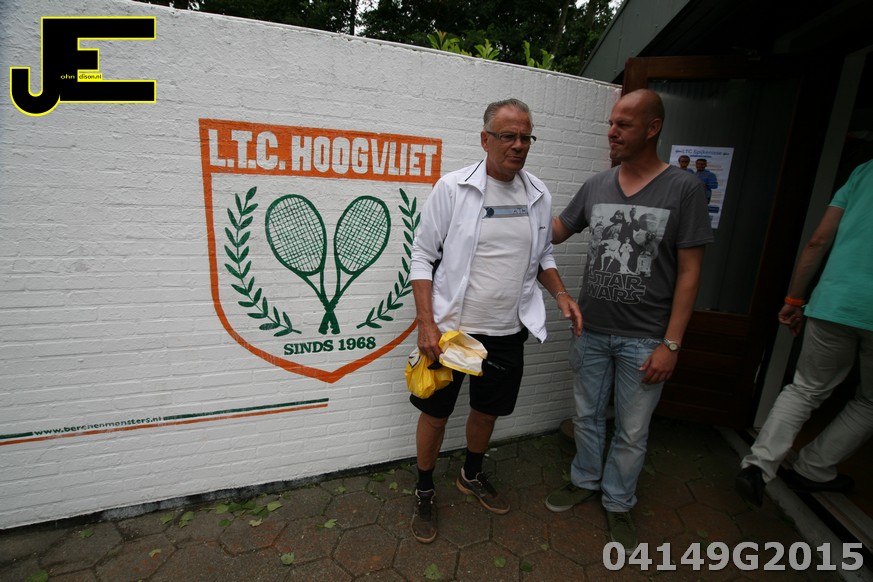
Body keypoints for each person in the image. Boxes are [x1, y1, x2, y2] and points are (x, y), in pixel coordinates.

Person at [545, 89, 713, 552]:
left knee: (633, 430)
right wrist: (512, 202)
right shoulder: (597, 185)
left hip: (645, 338)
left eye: (623, 124)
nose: (612, 132)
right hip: (591, 329)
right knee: (586, 415)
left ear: (653, 128)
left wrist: (671, 344)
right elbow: (555, 231)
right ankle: (585, 479)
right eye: (611, 124)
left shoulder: (684, 188)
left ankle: (618, 501)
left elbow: (690, 273)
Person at [408, 98, 583, 544]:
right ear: (485, 139)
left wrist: (561, 293)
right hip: (452, 333)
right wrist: (426, 323)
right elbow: (422, 256)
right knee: (436, 414)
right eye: (508, 136)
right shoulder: (453, 188)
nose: (518, 145)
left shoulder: (537, 194)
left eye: (526, 137)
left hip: (507, 331)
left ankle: (470, 474)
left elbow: (544, 254)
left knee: (487, 411)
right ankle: (424, 488)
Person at [735, 159, 873, 507]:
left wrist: (794, 299)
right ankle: (814, 467)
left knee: (805, 388)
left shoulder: (865, 171)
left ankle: (757, 466)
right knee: (870, 402)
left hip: (834, 302)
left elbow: (818, 240)